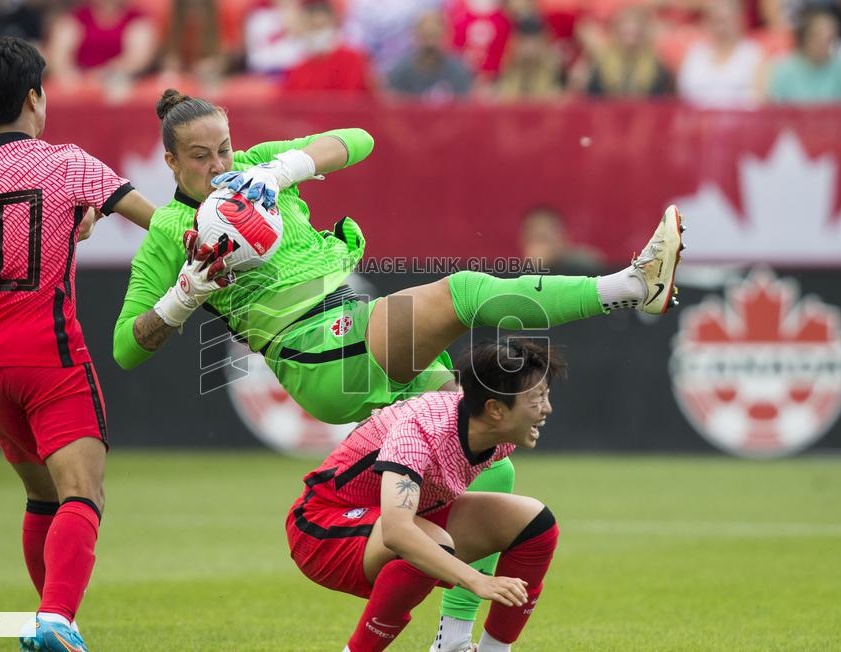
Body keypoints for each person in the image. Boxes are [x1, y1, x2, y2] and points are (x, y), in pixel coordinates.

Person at [113, 88, 681, 650]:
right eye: (200, 156)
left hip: (353, 324)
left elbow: (360, 140)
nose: (220, 166)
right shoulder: (168, 232)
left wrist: (282, 169)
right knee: (462, 293)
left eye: (225, 149)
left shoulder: (257, 168)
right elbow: (126, 348)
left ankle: (455, 640)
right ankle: (630, 285)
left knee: (489, 457)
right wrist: (183, 297)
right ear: (170, 162)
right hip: (313, 353)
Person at [0, 36, 155, 652]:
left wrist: (73, 220)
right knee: (81, 495)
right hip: (49, 351)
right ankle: (57, 618)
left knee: (41, 497)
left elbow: (10, 227)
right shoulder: (68, 162)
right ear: (35, 97)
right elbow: (156, 219)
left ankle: (55, 620)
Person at [287, 339, 564, 651]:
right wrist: (476, 580)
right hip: (321, 529)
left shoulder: (494, 430)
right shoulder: (421, 431)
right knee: (431, 542)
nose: (547, 409)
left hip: (402, 518)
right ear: (496, 409)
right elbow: (397, 532)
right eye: (536, 399)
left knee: (535, 524)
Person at [677, 0, 765, 108]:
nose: (721, 26)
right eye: (716, 20)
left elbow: (760, 102)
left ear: (739, 19)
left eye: (725, 19)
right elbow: (682, 99)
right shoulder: (694, 55)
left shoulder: (754, 55)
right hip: (699, 122)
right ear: (707, 21)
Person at [767, 6, 841, 103]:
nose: (823, 42)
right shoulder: (783, 70)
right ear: (804, 37)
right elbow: (776, 109)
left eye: (830, 38)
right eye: (817, 36)